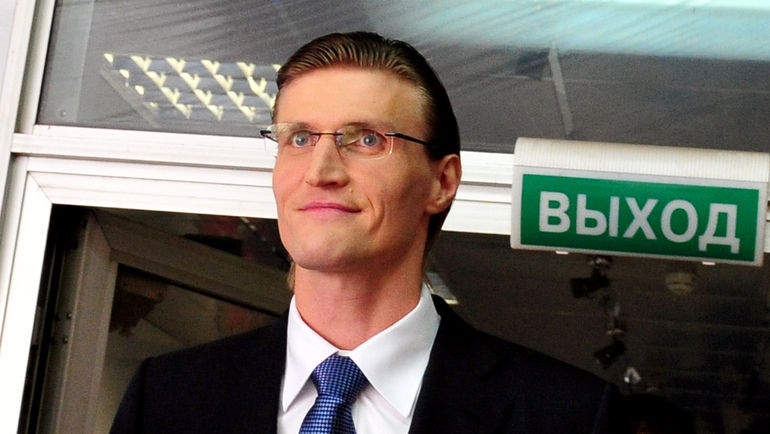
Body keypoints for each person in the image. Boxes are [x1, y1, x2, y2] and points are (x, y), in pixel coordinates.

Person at [111, 31, 626, 433]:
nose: (321, 170)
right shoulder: (167, 399)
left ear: (442, 183)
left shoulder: (568, 418)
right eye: (299, 138)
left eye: (366, 140)